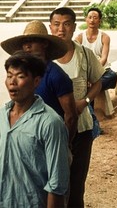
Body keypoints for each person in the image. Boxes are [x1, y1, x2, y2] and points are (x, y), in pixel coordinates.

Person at [49, 7, 105, 208]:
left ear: (73, 27)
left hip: (81, 128)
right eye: (56, 24)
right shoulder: (44, 59)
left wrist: (86, 101)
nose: (61, 29)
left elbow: (98, 81)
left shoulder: (84, 54)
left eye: (66, 24)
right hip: (51, 131)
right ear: (50, 27)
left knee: (76, 182)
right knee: (52, 183)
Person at [0, 51, 69, 207]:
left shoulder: (50, 123)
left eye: (20, 76)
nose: (12, 82)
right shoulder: (1, 117)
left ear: (36, 81)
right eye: (9, 76)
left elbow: (57, 183)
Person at [1, 19, 78, 144]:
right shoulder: (22, 74)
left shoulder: (56, 75)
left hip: (47, 137)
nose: (27, 46)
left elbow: (71, 117)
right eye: (25, 42)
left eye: (32, 41)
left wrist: (64, 145)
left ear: (44, 44)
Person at [75, 7, 117, 92]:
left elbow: (104, 58)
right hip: (85, 70)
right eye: (90, 17)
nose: (92, 20)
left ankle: (91, 86)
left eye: (95, 18)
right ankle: (92, 87)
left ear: (99, 21)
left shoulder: (104, 37)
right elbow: (76, 58)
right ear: (86, 19)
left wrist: (93, 74)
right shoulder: (79, 38)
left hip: (102, 70)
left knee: (113, 76)